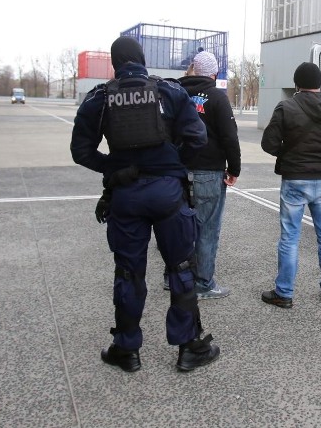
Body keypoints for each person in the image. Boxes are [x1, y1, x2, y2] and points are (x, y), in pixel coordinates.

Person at [70, 36, 220, 373]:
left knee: (128, 272)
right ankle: (189, 348)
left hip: (126, 194)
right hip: (169, 193)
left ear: (114, 64)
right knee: (180, 268)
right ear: (142, 60)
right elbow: (198, 137)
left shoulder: (100, 98)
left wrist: (115, 169)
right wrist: (172, 164)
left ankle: (127, 350)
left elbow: (80, 151)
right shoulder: (169, 92)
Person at [259, 62, 321, 308]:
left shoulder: (287, 107)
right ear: (319, 83)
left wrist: (288, 156)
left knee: (290, 238)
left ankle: (284, 293)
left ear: (297, 83)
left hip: (294, 180)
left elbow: (268, 144)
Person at [177, 49, 241, 300]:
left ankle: (174, 279)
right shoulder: (216, 97)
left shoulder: (178, 94)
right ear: (214, 74)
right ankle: (203, 283)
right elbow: (229, 137)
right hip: (209, 172)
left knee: (179, 227)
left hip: (179, 171)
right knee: (207, 229)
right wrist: (234, 169)